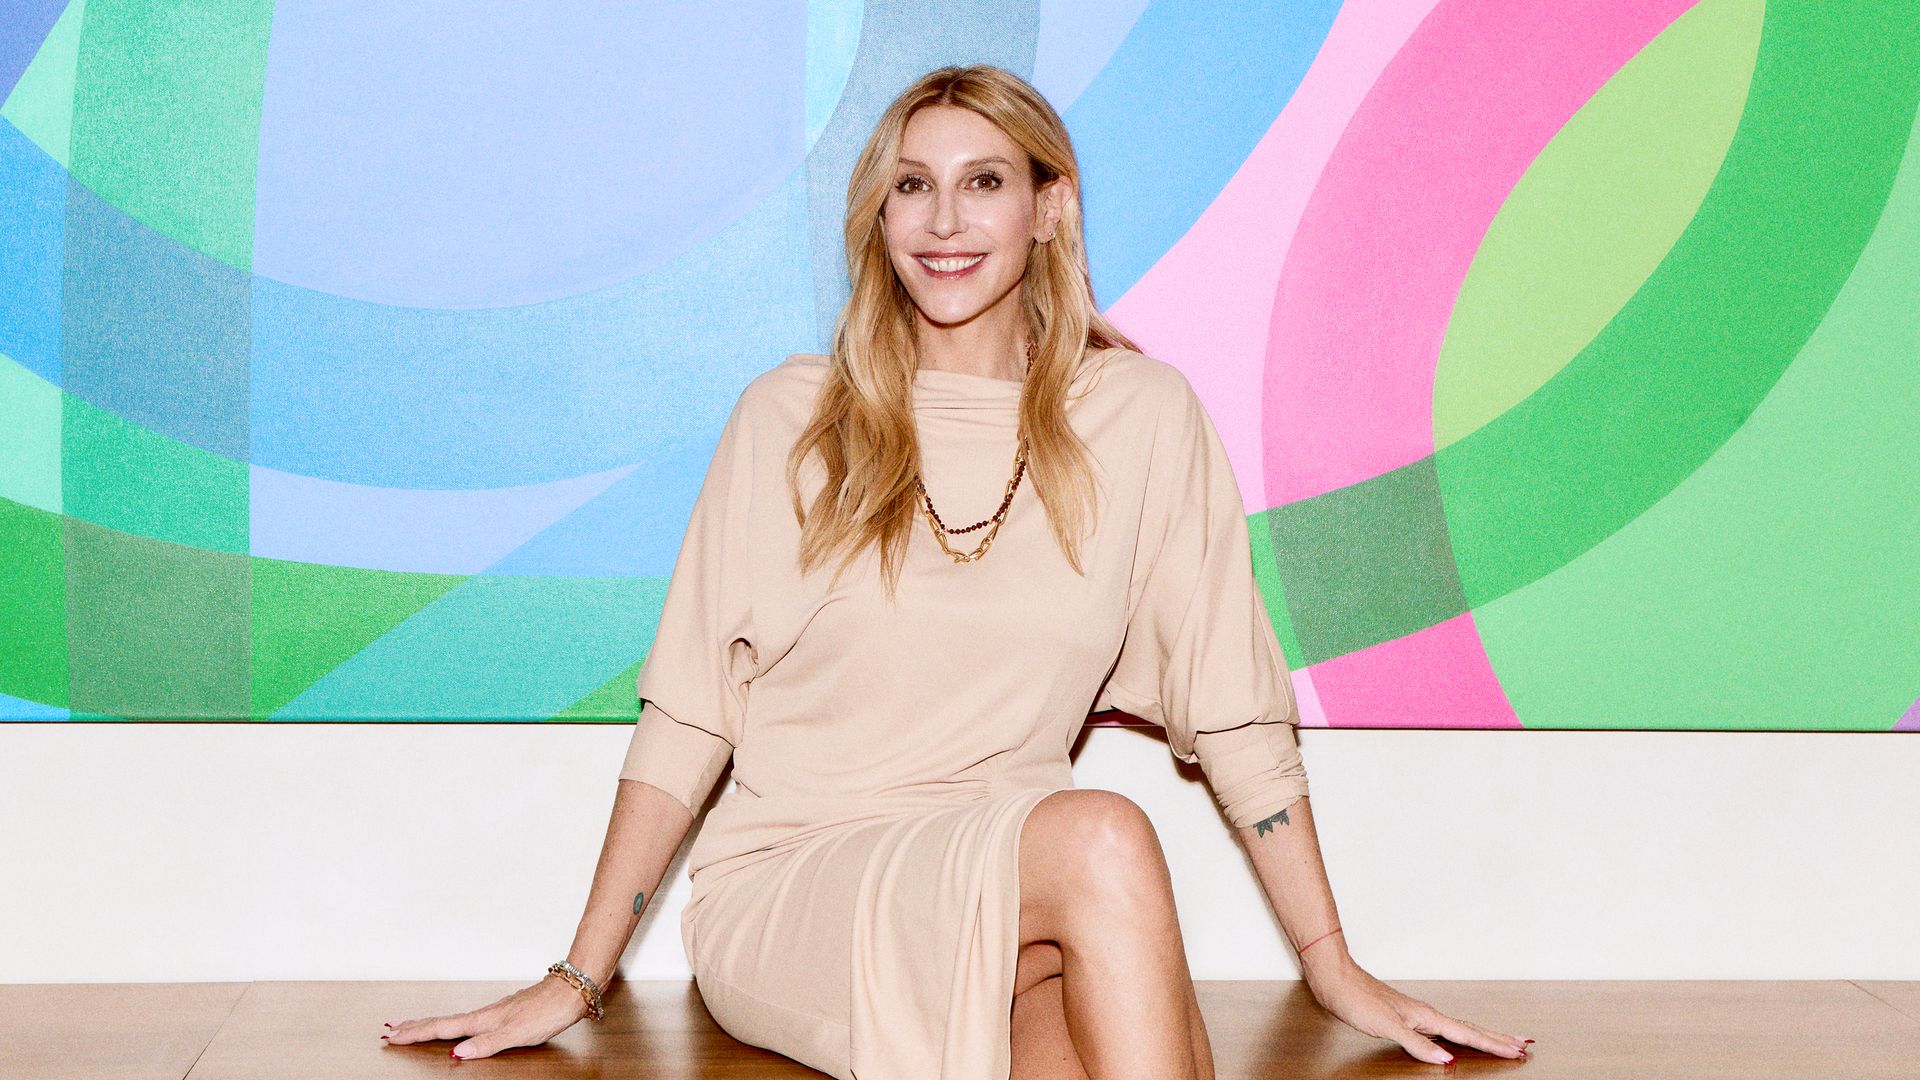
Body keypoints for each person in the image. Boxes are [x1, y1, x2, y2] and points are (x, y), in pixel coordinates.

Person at [384, 64, 1532, 1077]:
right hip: (801, 889)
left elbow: (1234, 711)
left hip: (1023, 898)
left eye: (984, 181)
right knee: (1104, 833)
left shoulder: (1139, 418)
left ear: (1049, 207)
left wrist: (1331, 965)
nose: (944, 219)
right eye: (911, 185)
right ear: (879, 216)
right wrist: (579, 975)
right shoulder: (793, 419)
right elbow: (691, 714)